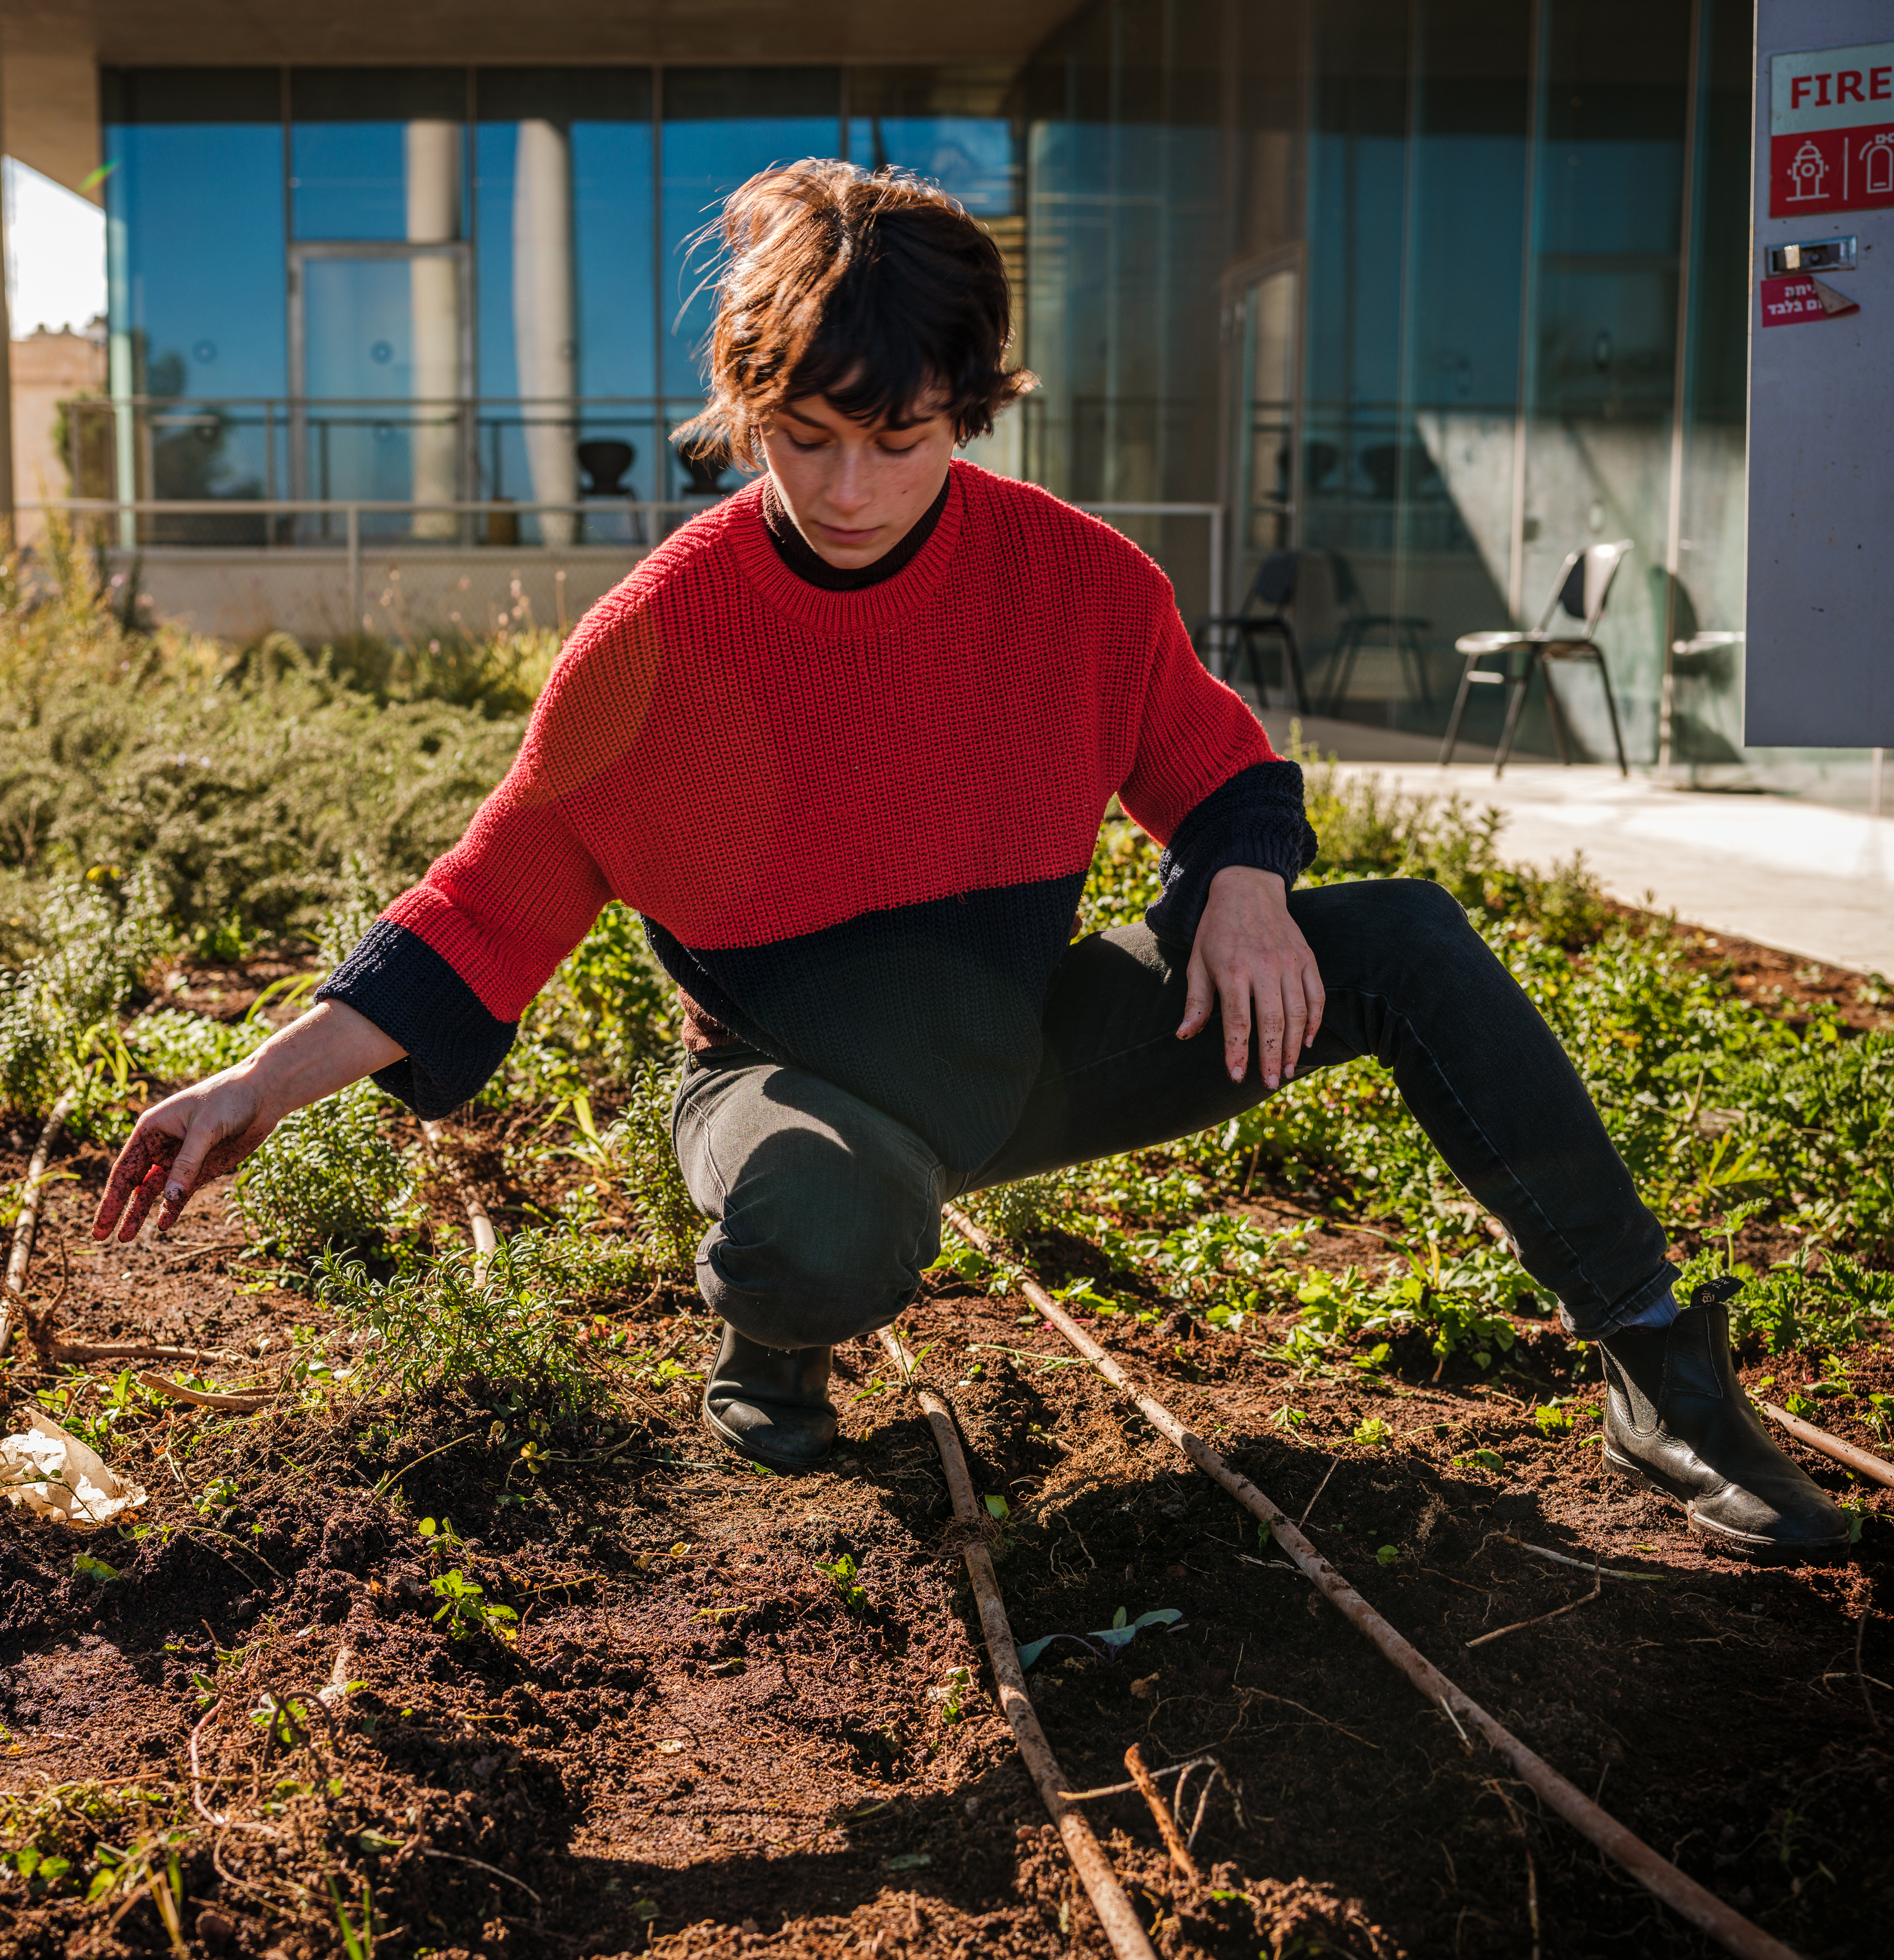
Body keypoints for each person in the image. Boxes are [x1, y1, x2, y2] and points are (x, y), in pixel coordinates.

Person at [93, 160, 1846, 1563]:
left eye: (901, 439)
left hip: (1017, 1045)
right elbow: (490, 901)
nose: (850, 489)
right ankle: (772, 1346)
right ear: (745, 407)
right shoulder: (661, 637)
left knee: (1398, 939)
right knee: (831, 1204)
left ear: (973, 404)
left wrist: (1240, 883)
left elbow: (1227, 771)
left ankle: (1659, 1373)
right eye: (806, 441)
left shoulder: (1078, 584)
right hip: (785, 1083)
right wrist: (264, 1074)